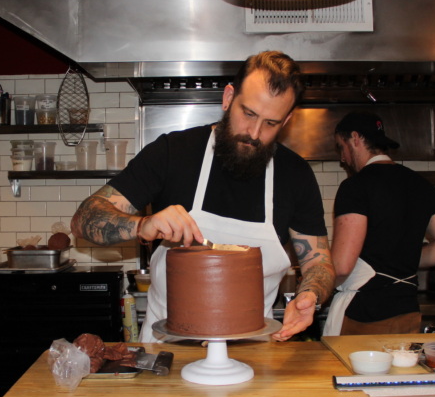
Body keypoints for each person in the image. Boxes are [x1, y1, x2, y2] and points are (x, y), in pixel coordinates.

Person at [71, 50, 335, 342]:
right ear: (228, 98)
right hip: (167, 354)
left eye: (271, 123)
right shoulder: (173, 153)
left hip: (254, 353)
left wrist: (310, 294)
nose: (255, 133)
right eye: (248, 113)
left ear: (285, 123)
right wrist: (141, 225)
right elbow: (85, 218)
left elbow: (318, 262)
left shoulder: (295, 174)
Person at [325, 111, 435, 336]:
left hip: (363, 314)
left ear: (355, 138)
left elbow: (342, 266)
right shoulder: (420, 185)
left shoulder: (355, 187)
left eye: (341, 147)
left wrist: (314, 288)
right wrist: (403, 259)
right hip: (407, 311)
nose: (342, 157)